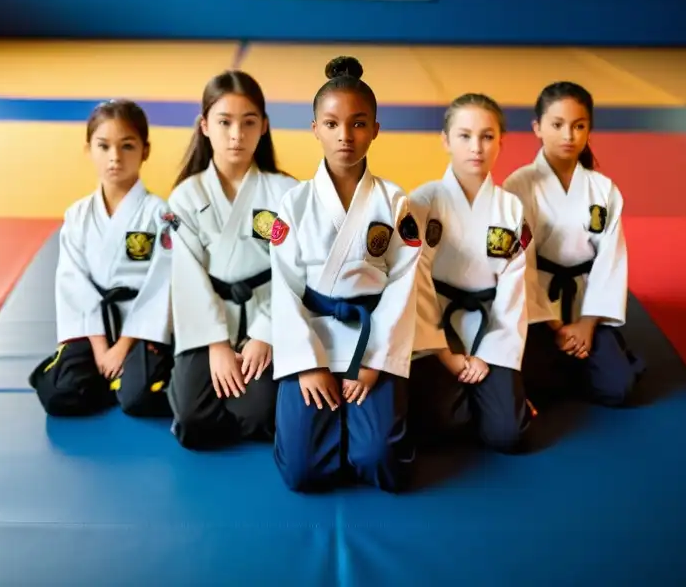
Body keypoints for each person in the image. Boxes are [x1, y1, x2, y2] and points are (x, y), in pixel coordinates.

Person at [269, 56, 421, 493]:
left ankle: (371, 430)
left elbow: (404, 283)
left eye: (358, 124)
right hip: (311, 335)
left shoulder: (395, 201)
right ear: (314, 128)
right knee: (303, 473)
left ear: (375, 128)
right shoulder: (294, 203)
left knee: (382, 464)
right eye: (332, 124)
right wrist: (306, 365)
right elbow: (284, 287)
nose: (345, 136)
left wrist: (372, 362)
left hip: (371, 335)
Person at [166, 70, 296, 448]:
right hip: (209, 323)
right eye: (224, 122)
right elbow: (186, 278)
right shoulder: (185, 197)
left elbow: (295, 270)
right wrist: (217, 344)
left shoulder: (286, 193)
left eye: (248, 122)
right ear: (205, 126)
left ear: (264, 127)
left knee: (259, 413)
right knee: (192, 422)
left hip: (265, 317)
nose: (236, 135)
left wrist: (265, 334)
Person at [408, 94, 542, 453]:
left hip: (489, 327)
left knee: (509, 436)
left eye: (486, 136)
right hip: (434, 331)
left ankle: (506, 397)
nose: (476, 147)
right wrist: (445, 354)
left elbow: (515, 289)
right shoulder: (422, 202)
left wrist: (488, 353)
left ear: (501, 142)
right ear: (445, 140)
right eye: (465, 136)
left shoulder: (511, 208)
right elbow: (414, 283)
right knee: (443, 425)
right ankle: (474, 397)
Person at [503, 81, 645, 408]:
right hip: (537, 305)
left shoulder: (603, 189)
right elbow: (517, 262)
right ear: (537, 128)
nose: (569, 136)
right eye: (557, 125)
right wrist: (554, 325)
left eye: (579, 126)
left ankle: (602, 350)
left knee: (619, 388)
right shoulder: (518, 184)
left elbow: (611, 260)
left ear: (589, 130)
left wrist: (587, 323)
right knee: (535, 384)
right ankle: (571, 358)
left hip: (586, 302)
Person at [29, 99, 175, 418]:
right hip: (94, 324)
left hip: (139, 329)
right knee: (58, 395)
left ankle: (133, 379)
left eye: (126, 146)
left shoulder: (160, 214)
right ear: (88, 150)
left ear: (145, 150)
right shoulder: (78, 215)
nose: (115, 157)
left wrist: (122, 347)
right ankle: (113, 380)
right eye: (103, 146)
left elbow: (161, 287)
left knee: (138, 400)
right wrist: (100, 349)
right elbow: (73, 283)